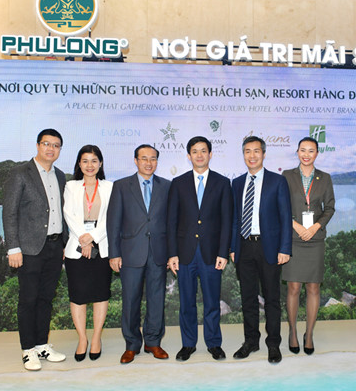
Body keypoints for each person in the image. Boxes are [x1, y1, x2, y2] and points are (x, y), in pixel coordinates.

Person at [3, 128, 68, 371]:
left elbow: (61, 211)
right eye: (46, 144)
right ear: (38, 145)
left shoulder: (60, 176)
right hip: (29, 249)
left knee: (46, 299)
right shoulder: (20, 173)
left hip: (55, 247)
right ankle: (28, 349)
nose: (51, 149)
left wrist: (64, 243)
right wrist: (13, 247)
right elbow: (9, 212)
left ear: (59, 150)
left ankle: (42, 344)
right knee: (28, 300)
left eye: (56, 145)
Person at [167, 136, 233, 361]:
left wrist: (223, 252)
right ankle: (188, 344)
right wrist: (172, 253)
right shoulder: (178, 183)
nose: (199, 155)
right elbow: (171, 221)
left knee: (212, 302)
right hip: (185, 253)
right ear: (189, 156)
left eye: (203, 151)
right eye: (194, 151)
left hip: (211, 254)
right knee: (186, 302)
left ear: (210, 154)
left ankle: (214, 343)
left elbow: (226, 221)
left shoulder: (222, 183)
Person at [230, 136, 292, 364]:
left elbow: (285, 217)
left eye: (256, 151)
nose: (252, 155)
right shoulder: (237, 183)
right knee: (248, 298)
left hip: (270, 247)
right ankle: (251, 342)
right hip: (244, 246)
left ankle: (273, 344)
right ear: (243, 155)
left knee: (272, 299)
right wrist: (233, 247)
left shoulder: (277, 181)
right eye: (247, 151)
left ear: (263, 154)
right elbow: (235, 218)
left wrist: (285, 248)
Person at [107, 144, 171, 364]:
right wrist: (114, 253)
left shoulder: (167, 186)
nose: (148, 163)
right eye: (144, 158)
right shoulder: (121, 186)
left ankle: (153, 341)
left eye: (153, 158)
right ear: (135, 160)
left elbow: (171, 223)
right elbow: (113, 222)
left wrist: (172, 253)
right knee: (130, 301)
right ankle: (132, 344)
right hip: (130, 253)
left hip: (158, 253)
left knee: (156, 300)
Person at [282, 137, 335, 355]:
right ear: (297, 152)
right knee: (293, 287)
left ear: (317, 154)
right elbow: (280, 206)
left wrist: (314, 227)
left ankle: (309, 334)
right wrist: (295, 226)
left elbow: (329, 208)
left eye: (311, 150)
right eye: (302, 150)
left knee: (314, 288)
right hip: (293, 238)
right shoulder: (287, 176)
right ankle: (293, 332)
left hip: (315, 239)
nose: (306, 154)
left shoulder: (325, 178)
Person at [63, 145, 113, 361]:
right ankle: (82, 339)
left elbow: (111, 217)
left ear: (100, 163)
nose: (90, 165)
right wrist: (84, 238)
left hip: (101, 247)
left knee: (101, 295)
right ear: (79, 164)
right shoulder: (71, 186)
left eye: (94, 161)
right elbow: (68, 214)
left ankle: (96, 338)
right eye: (85, 161)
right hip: (76, 247)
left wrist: (92, 238)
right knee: (78, 296)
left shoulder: (110, 187)